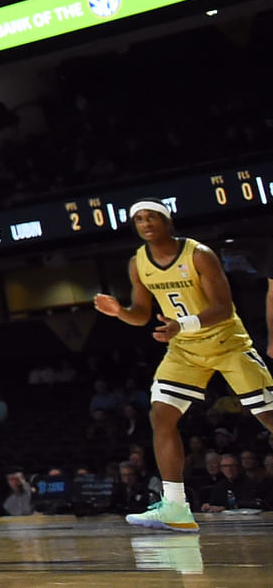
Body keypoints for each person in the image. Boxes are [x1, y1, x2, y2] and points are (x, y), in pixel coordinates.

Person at [93, 199, 273, 533]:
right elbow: (142, 315)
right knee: (161, 415)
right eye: (140, 219)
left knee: (267, 415)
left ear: (167, 221)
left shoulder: (199, 254)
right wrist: (120, 312)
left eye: (152, 217)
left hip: (225, 342)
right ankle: (176, 506)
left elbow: (222, 307)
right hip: (184, 350)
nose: (146, 223)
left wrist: (182, 324)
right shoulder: (138, 262)